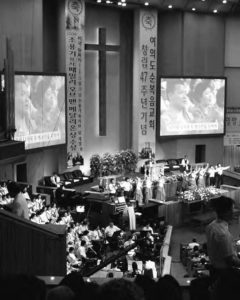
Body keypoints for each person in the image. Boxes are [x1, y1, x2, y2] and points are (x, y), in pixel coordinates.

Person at [206, 196, 240, 280]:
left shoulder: (211, 226)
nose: (234, 212)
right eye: (232, 209)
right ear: (226, 212)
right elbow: (230, 260)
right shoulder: (223, 234)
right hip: (224, 273)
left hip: (214, 267)